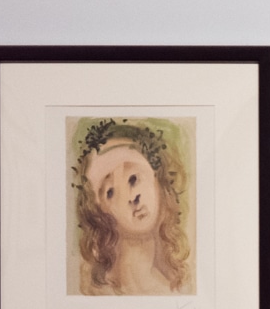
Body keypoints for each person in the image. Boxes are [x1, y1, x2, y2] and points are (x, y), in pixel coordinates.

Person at [72, 119, 192, 296]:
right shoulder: (100, 291)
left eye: (133, 179)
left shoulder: (175, 286)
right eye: (110, 192)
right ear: (100, 214)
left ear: (158, 181)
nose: (132, 197)